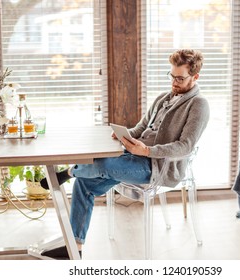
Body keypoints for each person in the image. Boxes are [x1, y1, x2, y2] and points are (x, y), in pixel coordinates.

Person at [40, 49, 210, 259]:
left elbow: (185, 146)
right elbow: (140, 128)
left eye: (180, 78)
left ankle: (68, 171)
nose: (174, 82)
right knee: (83, 183)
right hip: (133, 157)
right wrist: (124, 135)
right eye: (172, 76)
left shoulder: (199, 105)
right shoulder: (163, 98)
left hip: (155, 167)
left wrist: (146, 150)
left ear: (195, 77)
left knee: (103, 166)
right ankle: (75, 248)